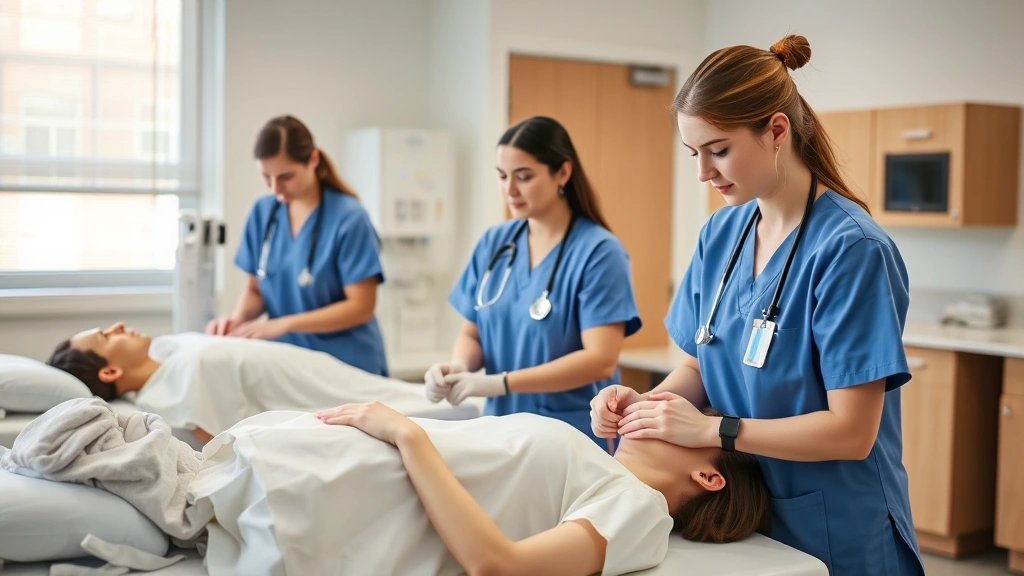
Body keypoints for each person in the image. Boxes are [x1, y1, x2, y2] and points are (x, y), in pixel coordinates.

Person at [590, 35, 924, 575]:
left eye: (718, 150)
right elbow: (701, 365)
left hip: (837, 521)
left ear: (775, 131)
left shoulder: (851, 250)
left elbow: (852, 432)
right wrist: (644, 407)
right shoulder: (721, 234)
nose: (703, 172)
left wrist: (712, 431)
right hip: (748, 518)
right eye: (693, 153)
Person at [185, 400, 771, 575]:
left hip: (307, 498)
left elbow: (500, 565)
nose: (660, 408)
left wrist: (407, 435)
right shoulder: (598, 463)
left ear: (708, 475)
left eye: (682, 419)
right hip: (300, 465)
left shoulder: (640, 510)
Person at [425, 116, 641, 445]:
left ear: (563, 173)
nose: (509, 190)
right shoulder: (494, 244)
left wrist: (503, 383)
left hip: (569, 436)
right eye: (502, 176)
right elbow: (473, 333)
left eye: (523, 177)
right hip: (499, 430)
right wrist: (457, 367)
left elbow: (600, 359)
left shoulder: (599, 252)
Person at [46, 323, 471, 443]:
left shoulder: (169, 349)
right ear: (109, 373)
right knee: (453, 407)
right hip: (338, 395)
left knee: (444, 395)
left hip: (333, 371)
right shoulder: (170, 390)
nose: (119, 326)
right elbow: (222, 444)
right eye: (107, 336)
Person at [206, 115, 388, 376]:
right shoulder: (262, 213)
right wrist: (237, 321)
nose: (276, 188)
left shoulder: (349, 218)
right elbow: (256, 290)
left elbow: (361, 307)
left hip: (347, 365)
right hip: (288, 363)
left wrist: (284, 325)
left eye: (286, 176)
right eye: (266, 176)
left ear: (313, 160)